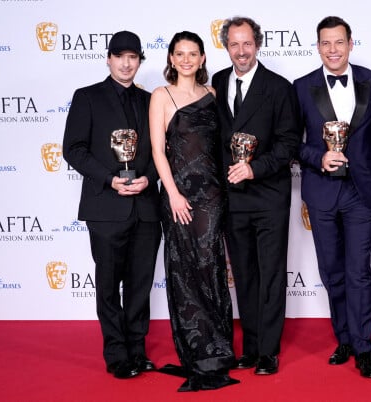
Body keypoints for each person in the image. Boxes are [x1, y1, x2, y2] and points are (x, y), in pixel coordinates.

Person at [63, 30, 161, 379]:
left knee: (140, 284)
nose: (126, 63)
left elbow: (160, 152)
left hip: (146, 208)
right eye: (119, 56)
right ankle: (117, 353)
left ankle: (137, 349)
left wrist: (150, 177)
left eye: (132, 57)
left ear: (139, 61)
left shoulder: (152, 100)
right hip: (106, 208)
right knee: (108, 284)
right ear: (108, 58)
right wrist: (109, 178)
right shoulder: (87, 97)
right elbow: (73, 149)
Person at [293, 16, 371, 379]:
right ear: (317, 47)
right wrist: (320, 157)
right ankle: (343, 338)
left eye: (339, 42)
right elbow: (290, 142)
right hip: (321, 190)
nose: (333, 50)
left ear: (351, 43)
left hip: (361, 190)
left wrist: (357, 158)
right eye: (325, 43)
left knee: (359, 271)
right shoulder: (302, 87)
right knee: (332, 271)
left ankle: (364, 347)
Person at [148, 31, 239, 392]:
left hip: (214, 196)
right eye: (180, 54)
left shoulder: (213, 95)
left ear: (203, 59)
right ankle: (197, 349)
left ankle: (219, 346)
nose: (186, 59)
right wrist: (171, 194)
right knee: (185, 267)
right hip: (180, 197)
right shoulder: (161, 96)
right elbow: (158, 150)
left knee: (212, 266)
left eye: (193, 54)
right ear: (171, 58)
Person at [211, 16, 301, 375]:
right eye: (234, 44)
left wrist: (255, 167)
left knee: (270, 273)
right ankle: (249, 346)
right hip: (232, 198)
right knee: (244, 274)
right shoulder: (216, 82)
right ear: (226, 47)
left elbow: (289, 143)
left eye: (247, 43)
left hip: (268, 195)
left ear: (258, 45)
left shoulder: (279, 88)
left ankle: (268, 349)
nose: (241, 51)